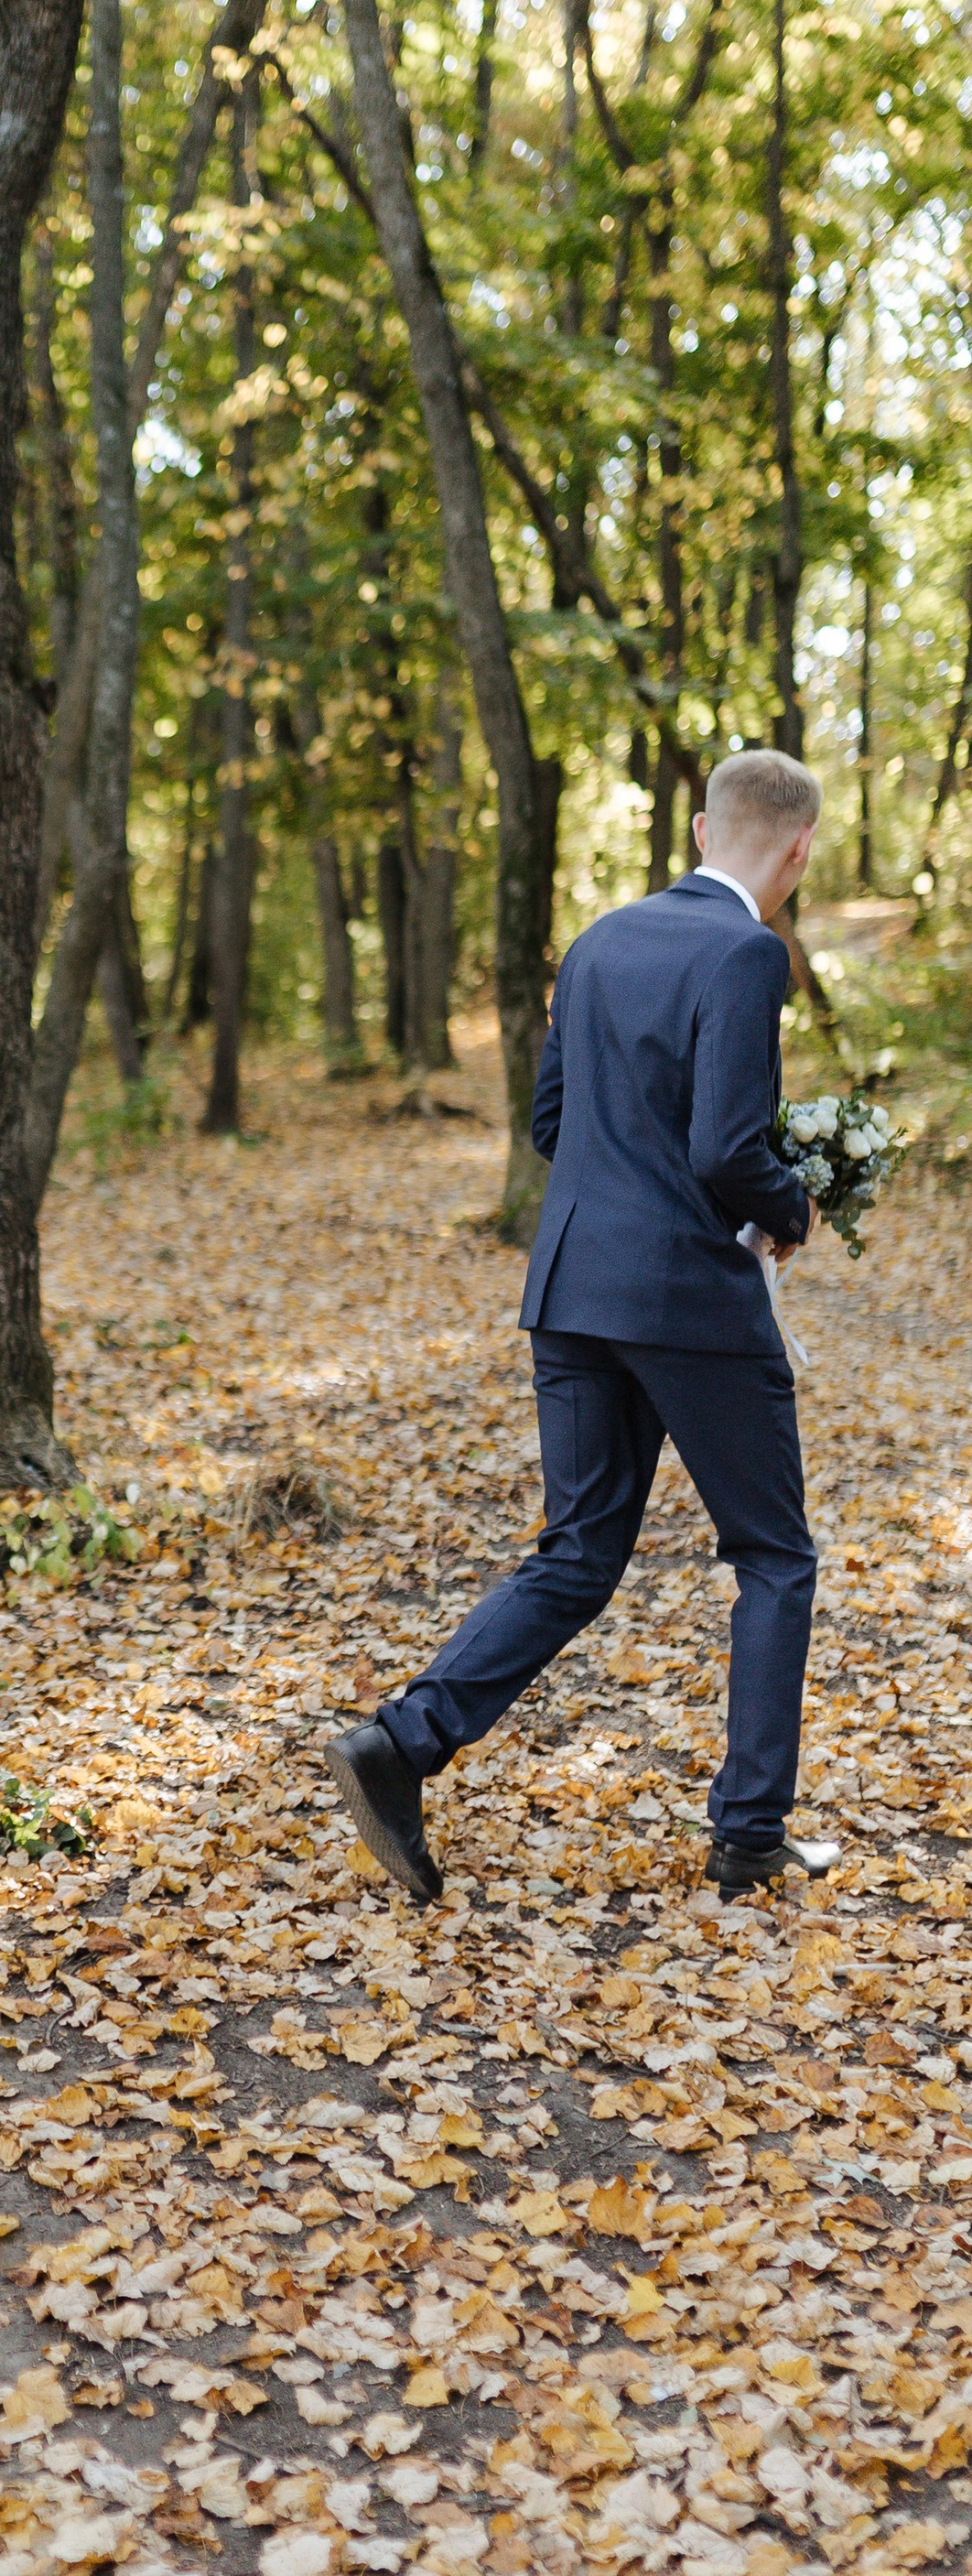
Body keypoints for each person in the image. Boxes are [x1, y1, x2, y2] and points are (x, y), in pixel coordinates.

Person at [328, 750, 827, 1910]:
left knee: (577, 1551)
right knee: (773, 1557)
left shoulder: (598, 941)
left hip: (570, 1288)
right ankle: (749, 1834)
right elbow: (725, 1148)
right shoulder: (748, 951)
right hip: (687, 1302)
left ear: (700, 829)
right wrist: (791, 1205)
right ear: (797, 848)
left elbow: (552, 1121)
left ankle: (398, 1744)